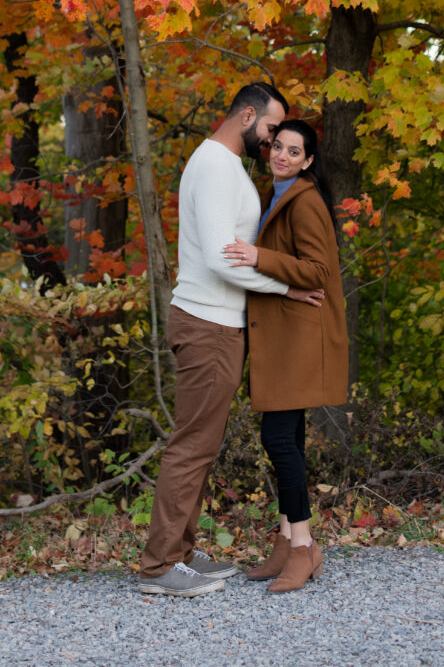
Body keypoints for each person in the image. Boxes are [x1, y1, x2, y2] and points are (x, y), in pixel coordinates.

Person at [139, 85, 324, 597]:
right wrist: (287, 285)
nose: (271, 144)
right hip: (208, 324)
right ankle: (159, 567)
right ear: (247, 115)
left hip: (220, 323)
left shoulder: (224, 164)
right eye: (269, 131)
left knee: (203, 443)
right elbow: (225, 258)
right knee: (193, 445)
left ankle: (180, 552)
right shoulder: (217, 166)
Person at [223, 119, 348, 593]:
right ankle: (284, 541)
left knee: (278, 440)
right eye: (278, 146)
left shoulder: (305, 200)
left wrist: (258, 257)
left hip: (300, 340)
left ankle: (304, 547)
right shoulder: (275, 193)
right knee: (288, 438)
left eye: (294, 152)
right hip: (285, 334)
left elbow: (318, 270)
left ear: (308, 161)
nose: (282, 156)